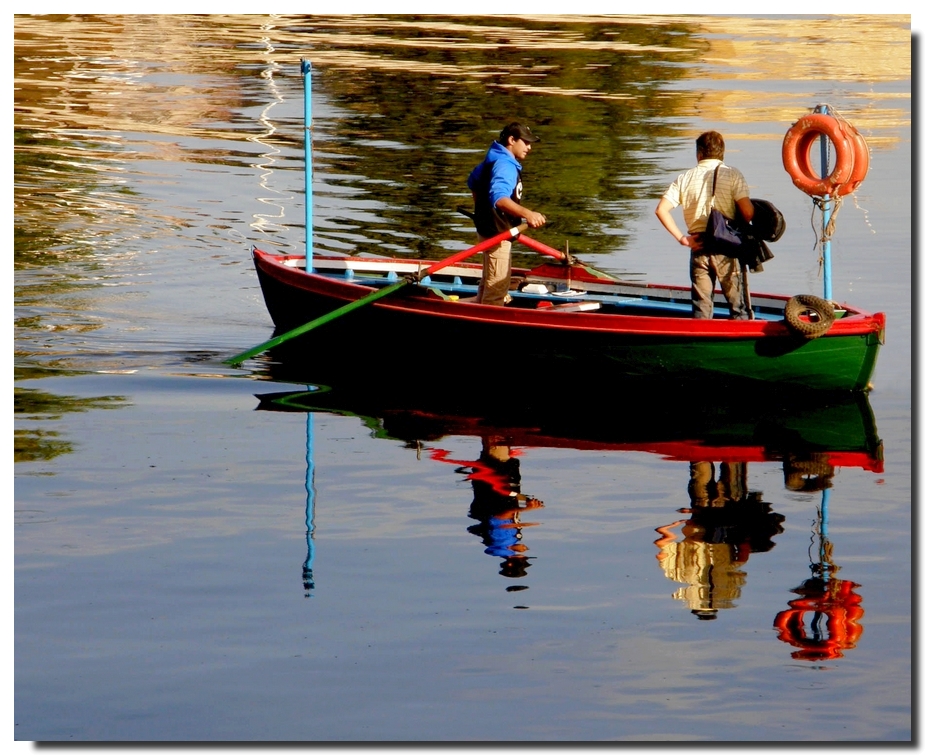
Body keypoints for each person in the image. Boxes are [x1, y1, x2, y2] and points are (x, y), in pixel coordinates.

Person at [655, 131, 754, 319]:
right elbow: (748, 212)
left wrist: (682, 239)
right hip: (727, 247)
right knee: (738, 308)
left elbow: (661, 209)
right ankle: (739, 342)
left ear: (699, 154)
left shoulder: (685, 178)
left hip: (698, 245)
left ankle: (701, 338)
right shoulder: (732, 174)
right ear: (722, 153)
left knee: (701, 308)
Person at [467, 123, 547, 306]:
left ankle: (479, 309)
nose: (529, 147)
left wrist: (481, 212)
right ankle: (487, 323)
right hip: (498, 233)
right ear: (512, 140)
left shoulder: (494, 157)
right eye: (526, 142)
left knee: (489, 282)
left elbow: (473, 182)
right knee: (497, 288)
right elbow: (500, 198)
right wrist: (528, 214)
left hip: (490, 229)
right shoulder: (505, 164)